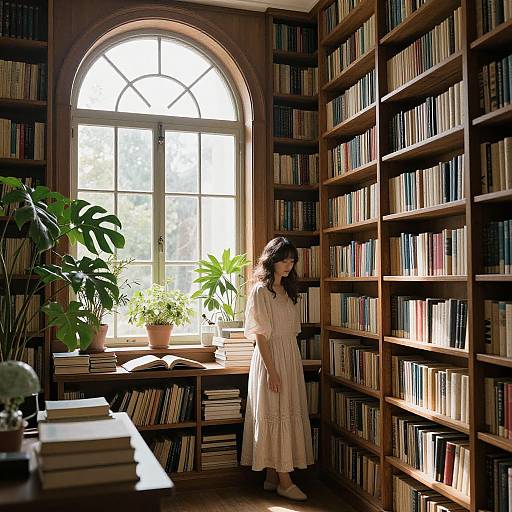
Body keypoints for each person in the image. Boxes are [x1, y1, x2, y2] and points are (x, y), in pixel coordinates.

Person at [241, 237, 314, 501]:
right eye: (284, 259)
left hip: (289, 356)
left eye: (292, 260)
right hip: (270, 358)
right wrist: (271, 370)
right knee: (274, 411)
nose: (288, 264)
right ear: (271, 260)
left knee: (284, 411)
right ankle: (285, 480)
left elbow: (291, 330)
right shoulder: (260, 291)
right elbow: (260, 336)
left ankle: (272, 476)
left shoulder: (289, 291)